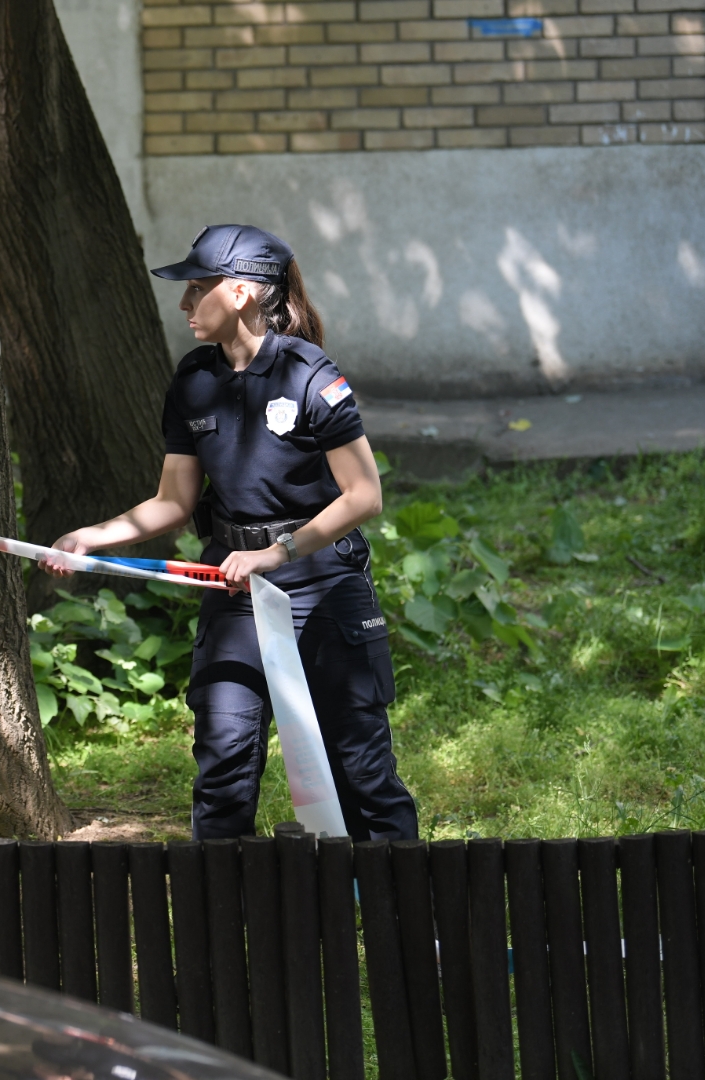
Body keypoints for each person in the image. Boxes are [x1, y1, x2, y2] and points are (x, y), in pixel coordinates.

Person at [45, 224, 417, 842]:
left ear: (242, 293)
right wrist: (90, 537)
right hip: (234, 588)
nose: (186, 304)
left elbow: (364, 495)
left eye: (198, 289)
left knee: (362, 771)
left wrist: (278, 551)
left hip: (323, 583)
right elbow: (173, 500)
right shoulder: (194, 380)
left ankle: (397, 925)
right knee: (223, 766)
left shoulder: (309, 376)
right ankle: (220, 927)